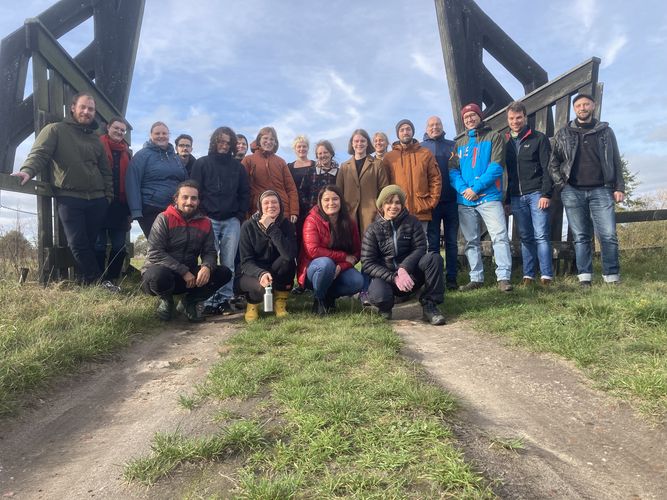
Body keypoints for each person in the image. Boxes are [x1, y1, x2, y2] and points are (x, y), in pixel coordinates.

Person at [14, 92, 113, 287]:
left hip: (97, 199)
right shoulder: (55, 130)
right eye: (83, 107)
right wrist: (27, 171)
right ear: (73, 108)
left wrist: (108, 196)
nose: (86, 112)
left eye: (91, 109)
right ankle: (99, 282)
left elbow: (105, 171)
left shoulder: (96, 139)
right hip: (69, 197)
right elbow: (40, 154)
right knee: (77, 243)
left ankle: (86, 282)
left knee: (90, 243)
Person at [549, 93, 625, 287]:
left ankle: (612, 276)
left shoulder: (606, 131)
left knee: (608, 234)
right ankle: (585, 277)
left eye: (586, 104)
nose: (582, 108)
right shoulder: (563, 133)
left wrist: (619, 186)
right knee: (581, 236)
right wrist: (562, 185)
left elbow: (615, 160)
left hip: (601, 189)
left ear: (593, 106)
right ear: (575, 109)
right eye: (579, 105)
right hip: (572, 190)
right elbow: (553, 163)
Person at [140, 180, 232, 322]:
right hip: (163, 274)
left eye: (194, 198)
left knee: (224, 273)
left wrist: (207, 266)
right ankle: (166, 301)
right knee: (157, 276)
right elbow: (155, 252)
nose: (189, 202)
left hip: (188, 278)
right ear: (176, 199)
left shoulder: (206, 222)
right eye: (185, 197)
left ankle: (190, 301)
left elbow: (210, 251)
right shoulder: (163, 218)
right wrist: (183, 271)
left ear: (198, 201)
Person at [450, 103, 513, 292]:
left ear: (480, 116)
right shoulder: (459, 144)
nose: (470, 119)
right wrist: (463, 190)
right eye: (466, 117)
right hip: (465, 200)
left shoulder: (494, 137)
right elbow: (452, 170)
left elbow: (496, 167)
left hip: (489, 197)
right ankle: (476, 278)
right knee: (471, 240)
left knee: (499, 236)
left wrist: (476, 188)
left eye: (473, 115)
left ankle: (503, 277)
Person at [361, 185, 446, 325]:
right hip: (387, 278)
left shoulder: (412, 222)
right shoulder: (372, 229)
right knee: (380, 296)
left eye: (397, 202)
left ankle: (430, 305)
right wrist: (394, 277)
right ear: (382, 205)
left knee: (434, 258)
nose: (393, 206)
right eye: (389, 202)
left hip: (411, 276)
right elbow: (368, 263)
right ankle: (385, 307)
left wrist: (404, 268)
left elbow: (420, 248)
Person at [191, 126, 250, 315]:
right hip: (208, 220)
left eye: (228, 142)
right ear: (214, 142)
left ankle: (224, 299)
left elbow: (244, 193)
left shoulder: (238, 168)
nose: (224, 145)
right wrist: (200, 215)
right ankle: (208, 300)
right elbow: (195, 190)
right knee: (209, 261)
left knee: (229, 262)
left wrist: (239, 215)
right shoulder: (202, 164)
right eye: (221, 141)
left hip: (231, 220)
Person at [504, 101, 554, 286]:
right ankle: (528, 275)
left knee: (541, 235)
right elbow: (509, 174)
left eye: (518, 117)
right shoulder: (507, 143)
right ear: (508, 120)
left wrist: (546, 194)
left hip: (536, 194)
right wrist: (508, 199)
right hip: (517, 197)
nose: (515, 121)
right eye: (511, 118)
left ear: (525, 118)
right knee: (525, 237)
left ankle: (546, 276)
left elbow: (547, 168)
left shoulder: (538, 138)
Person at [297, 185, 364, 315]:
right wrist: (343, 257)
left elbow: (357, 252)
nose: (331, 203)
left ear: (341, 201)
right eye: (326, 200)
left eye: (335, 199)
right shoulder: (312, 220)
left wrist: (341, 266)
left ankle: (329, 296)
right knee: (326, 263)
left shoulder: (349, 221)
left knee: (357, 281)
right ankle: (319, 299)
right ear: (320, 202)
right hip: (314, 269)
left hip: (338, 269)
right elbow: (313, 251)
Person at [238, 190, 297, 322]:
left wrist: (271, 228)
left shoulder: (287, 225)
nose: (271, 205)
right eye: (266, 203)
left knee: (287, 260)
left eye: (274, 202)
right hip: (253, 271)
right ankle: (252, 304)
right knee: (259, 287)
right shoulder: (248, 226)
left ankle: (280, 301)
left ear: (280, 205)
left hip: (277, 269)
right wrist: (260, 273)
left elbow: (289, 254)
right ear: (260, 206)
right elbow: (246, 262)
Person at [126, 122, 188, 237]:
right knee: (158, 247)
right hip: (151, 208)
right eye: (157, 133)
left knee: (176, 246)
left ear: (168, 135)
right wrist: (136, 211)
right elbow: (132, 183)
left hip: (174, 209)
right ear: (151, 135)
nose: (161, 136)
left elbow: (185, 181)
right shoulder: (142, 156)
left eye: (164, 133)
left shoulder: (175, 158)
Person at [383, 119, 442, 233]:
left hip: (421, 210)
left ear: (412, 132)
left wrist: (432, 202)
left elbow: (435, 179)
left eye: (408, 129)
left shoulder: (425, 153)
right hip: (397, 211)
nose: (405, 132)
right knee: (399, 247)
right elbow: (384, 185)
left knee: (421, 245)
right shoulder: (389, 157)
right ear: (398, 134)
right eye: (402, 130)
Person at [421, 115, 459, 290]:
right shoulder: (421, 148)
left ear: (442, 126)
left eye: (437, 124)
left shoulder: (453, 145)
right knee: (433, 243)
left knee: (451, 242)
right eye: (431, 125)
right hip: (432, 203)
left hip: (451, 200)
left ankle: (451, 278)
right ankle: (434, 280)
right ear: (426, 128)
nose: (434, 127)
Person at [95, 116, 132, 287]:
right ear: (108, 127)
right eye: (116, 128)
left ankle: (112, 279)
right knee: (99, 244)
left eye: (122, 130)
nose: (119, 132)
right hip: (100, 202)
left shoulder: (127, 152)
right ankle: (98, 279)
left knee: (119, 246)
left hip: (121, 206)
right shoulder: (97, 145)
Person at [242, 126, 299, 223]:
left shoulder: (281, 162)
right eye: (265, 138)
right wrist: (244, 213)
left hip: (282, 212)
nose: (268, 141)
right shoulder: (248, 160)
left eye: (272, 139)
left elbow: (291, 188)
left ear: (275, 142)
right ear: (259, 140)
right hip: (257, 212)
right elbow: (241, 188)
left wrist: (294, 211)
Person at [300, 140, 340, 212]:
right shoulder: (311, 172)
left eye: (325, 152)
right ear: (317, 156)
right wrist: (309, 209)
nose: (323, 155)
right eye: (320, 153)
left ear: (331, 153)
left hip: (335, 214)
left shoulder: (339, 173)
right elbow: (302, 193)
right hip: (314, 214)